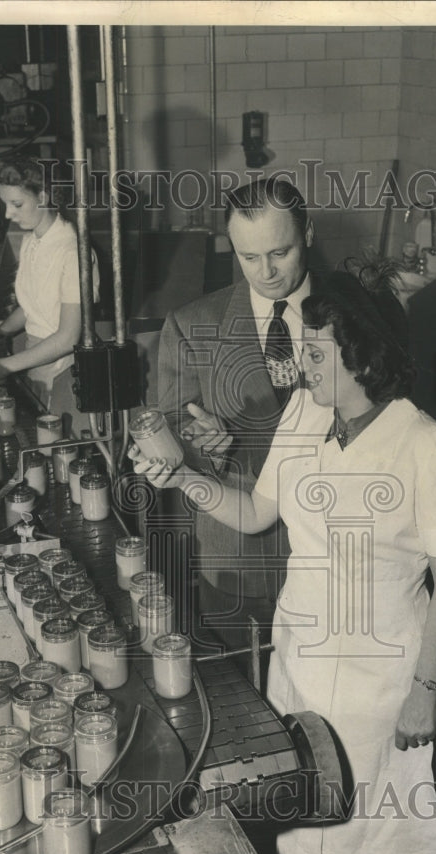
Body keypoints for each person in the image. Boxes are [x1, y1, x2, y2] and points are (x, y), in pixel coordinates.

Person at [132, 264, 436, 854]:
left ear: (362, 354)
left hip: (381, 671)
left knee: (368, 823)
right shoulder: (301, 416)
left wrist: (425, 689)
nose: (301, 364)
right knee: (307, 814)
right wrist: (179, 477)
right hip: (301, 655)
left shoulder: (431, 447)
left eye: (316, 351)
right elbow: (254, 512)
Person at [155, 176, 317, 660]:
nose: (265, 272)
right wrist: (206, 445)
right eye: (249, 257)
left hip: (333, 552)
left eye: (279, 253)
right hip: (239, 561)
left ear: (309, 232)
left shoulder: (354, 314)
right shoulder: (191, 325)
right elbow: (166, 434)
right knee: (249, 698)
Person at [0, 155, 99, 433]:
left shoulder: (73, 252)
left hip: (66, 369)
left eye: (17, 204)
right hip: (35, 359)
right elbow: (31, 306)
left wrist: (5, 365)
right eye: (6, 204)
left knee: (60, 443)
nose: (8, 214)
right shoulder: (32, 241)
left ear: (44, 197)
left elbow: (68, 337)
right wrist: (0, 332)